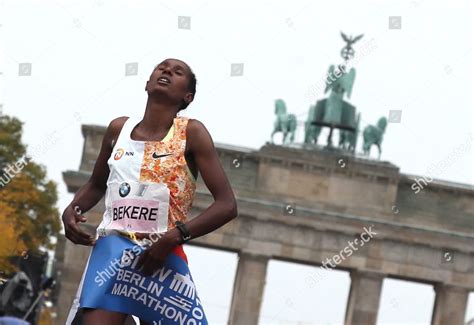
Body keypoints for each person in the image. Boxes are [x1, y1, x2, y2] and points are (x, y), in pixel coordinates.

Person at [61, 58, 238, 324]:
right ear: (147, 84)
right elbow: (97, 184)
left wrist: (175, 236)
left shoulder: (193, 133)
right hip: (114, 251)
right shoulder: (118, 129)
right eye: (161, 67)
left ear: (187, 96)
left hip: (161, 254)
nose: (166, 71)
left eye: (178, 72)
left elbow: (227, 205)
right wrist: (72, 209)